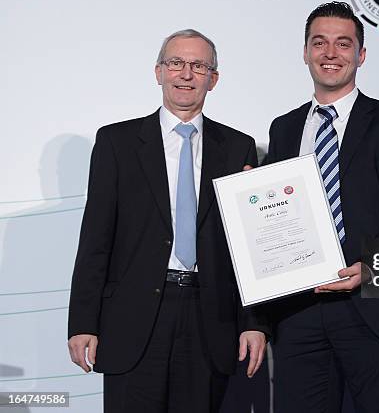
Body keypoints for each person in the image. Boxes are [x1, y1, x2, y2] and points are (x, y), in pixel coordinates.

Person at [67, 29, 268, 413]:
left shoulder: (238, 147)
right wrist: (82, 322)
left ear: (214, 78)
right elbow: (95, 239)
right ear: (158, 71)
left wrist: (254, 321)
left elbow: (249, 246)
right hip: (133, 318)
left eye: (198, 65)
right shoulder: (117, 143)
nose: (186, 74)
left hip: (209, 318)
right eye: (176, 63)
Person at [264, 1, 379, 413]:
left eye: (343, 43)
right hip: (298, 313)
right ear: (305, 52)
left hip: (371, 309)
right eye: (319, 43)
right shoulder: (283, 128)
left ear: (361, 54)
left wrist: (371, 267)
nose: (330, 53)